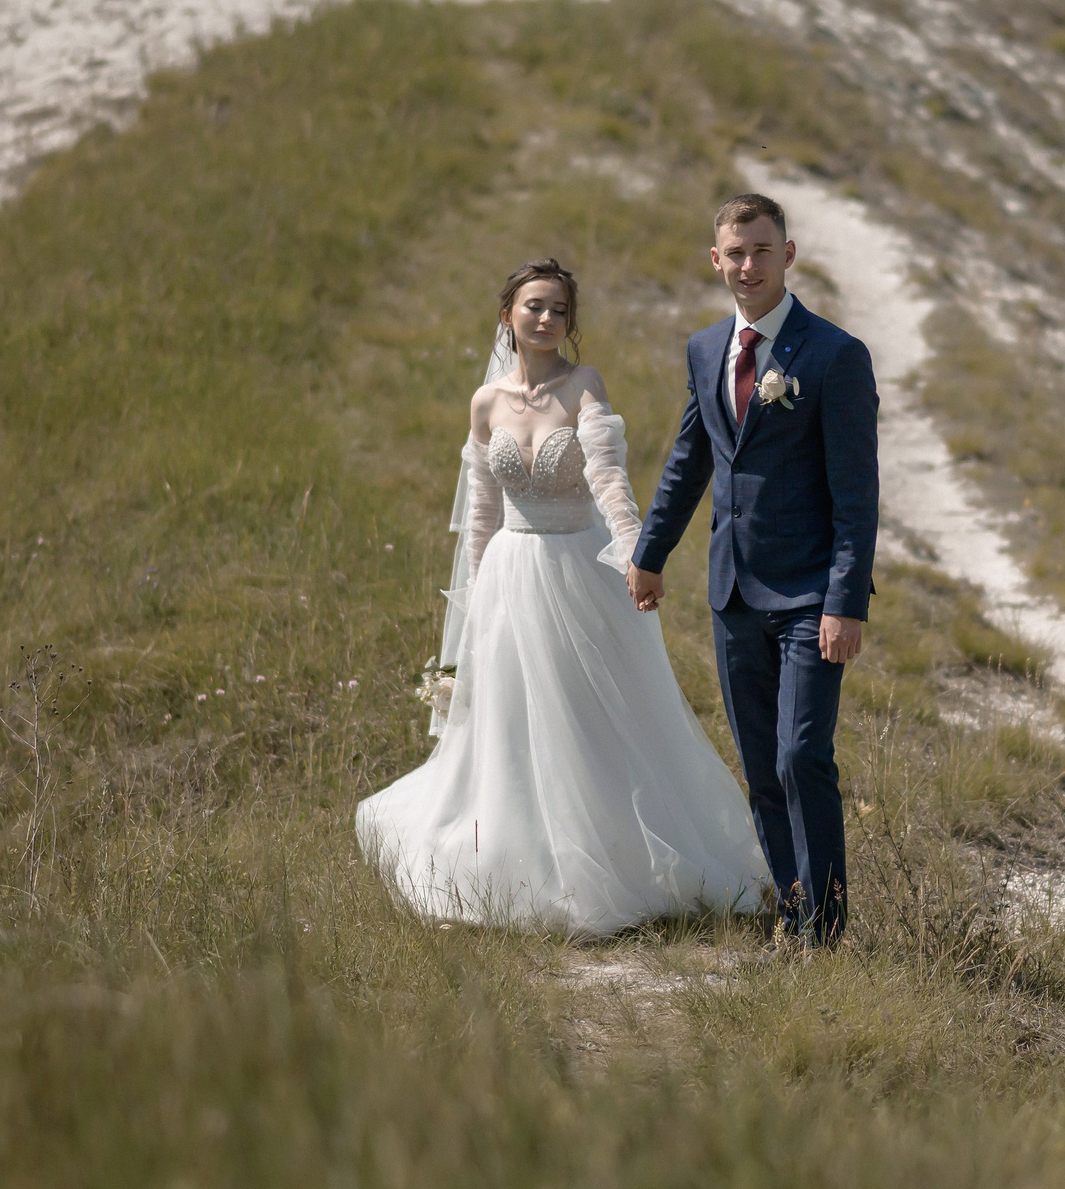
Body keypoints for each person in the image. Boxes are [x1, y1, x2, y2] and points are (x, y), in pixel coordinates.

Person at [355, 259, 770, 934]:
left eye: (557, 309)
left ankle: (611, 852)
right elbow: (482, 511)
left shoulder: (583, 386)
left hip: (579, 567)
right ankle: (515, 850)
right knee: (513, 716)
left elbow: (609, 480)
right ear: (507, 315)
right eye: (533, 306)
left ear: (570, 323)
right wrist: (473, 603)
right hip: (509, 576)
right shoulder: (485, 403)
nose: (545, 318)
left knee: (587, 714)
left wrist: (640, 552)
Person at [630, 194, 880, 946]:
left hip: (810, 595)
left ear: (789, 254)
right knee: (761, 767)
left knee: (802, 752)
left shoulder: (836, 355)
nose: (748, 265)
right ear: (716, 260)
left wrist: (845, 602)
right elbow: (690, 459)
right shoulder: (706, 349)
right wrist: (650, 552)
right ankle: (794, 915)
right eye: (735, 253)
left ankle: (827, 935)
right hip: (733, 591)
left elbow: (857, 496)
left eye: (762, 250)